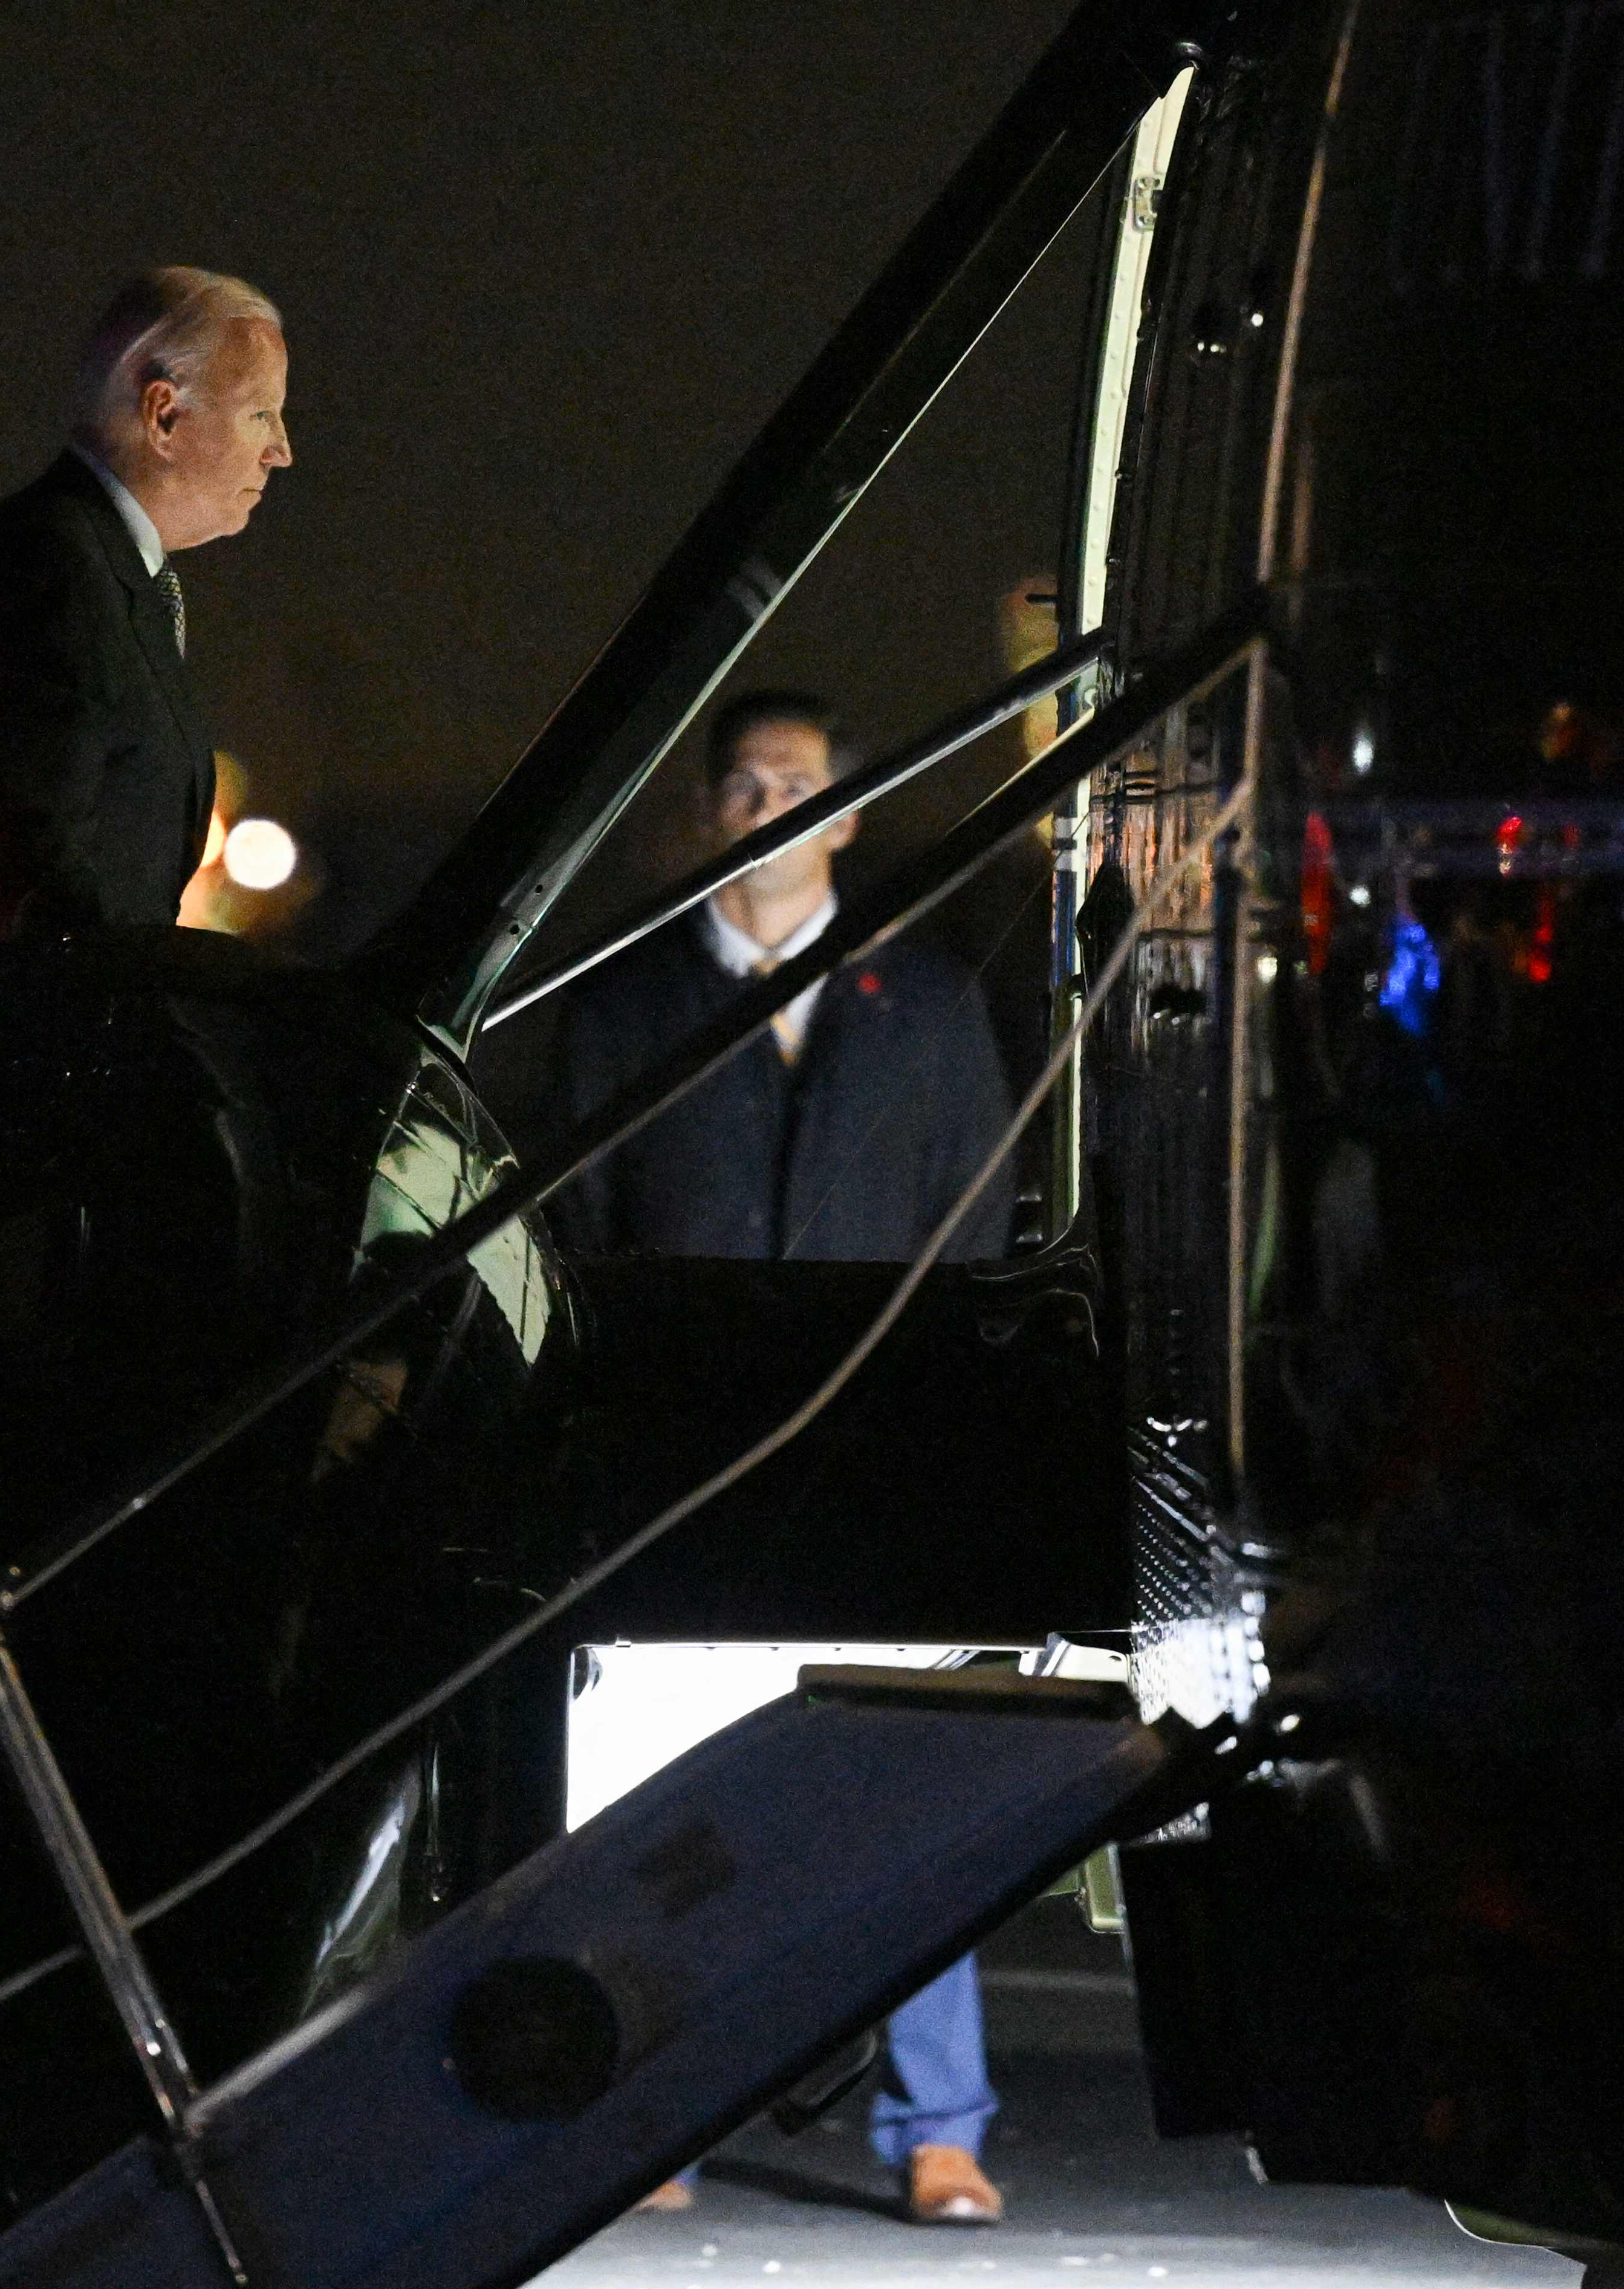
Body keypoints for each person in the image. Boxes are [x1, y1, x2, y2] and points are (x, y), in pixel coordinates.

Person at [553, 689, 1016, 2227]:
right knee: (656, 1813)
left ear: (846, 814)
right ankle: (649, 2116)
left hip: (870, 1460)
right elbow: (574, 1238)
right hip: (677, 1466)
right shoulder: (623, 1011)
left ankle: (938, 2126)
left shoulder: (930, 1004)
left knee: (901, 1794)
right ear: (708, 813)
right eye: (741, 789)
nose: (768, 815)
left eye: (797, 787)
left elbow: (980, 1223)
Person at [0, 264, 293, 1068]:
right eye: (260, 413)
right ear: (163, 414)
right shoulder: (54, 572)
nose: (281, 450)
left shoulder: (94, 569)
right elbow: (45, 878)